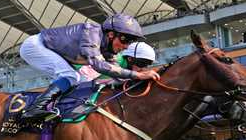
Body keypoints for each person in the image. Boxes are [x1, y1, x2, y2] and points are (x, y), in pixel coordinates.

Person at [19, 13, 160, 121]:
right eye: (126, 41)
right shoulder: (91, 33)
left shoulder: (107, 47)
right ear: (111, 34)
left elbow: (115, 70)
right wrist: (138, 75)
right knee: (71, 76)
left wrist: (133, 82)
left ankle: (55, 109)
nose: (126, 47)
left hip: (47, 49)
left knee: (78, 81)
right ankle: (35, 109)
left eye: (130, 43)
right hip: (35, 46)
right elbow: (99, 66)